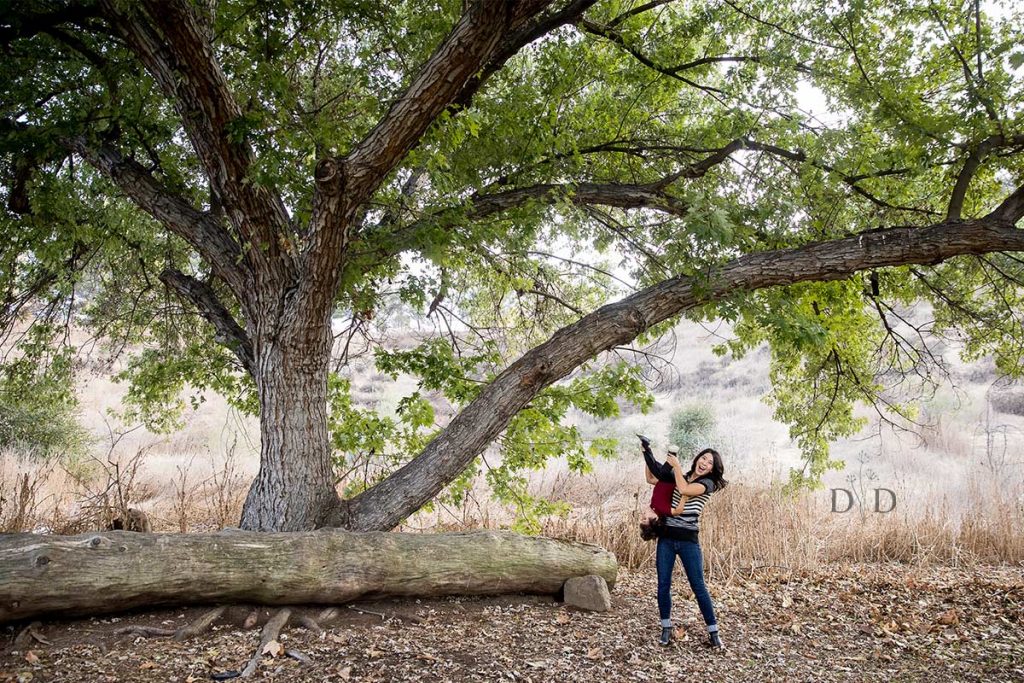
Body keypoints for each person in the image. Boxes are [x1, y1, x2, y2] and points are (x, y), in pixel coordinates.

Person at [645, 446, 728, 648]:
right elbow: (652, 479)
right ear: (697, 458)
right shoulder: (679, 476)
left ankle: (713, 631)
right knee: (663, 584)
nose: (705, 463)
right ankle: (666, 628)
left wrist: (676, 467)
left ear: (712, 469)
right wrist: (646, 455)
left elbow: (684, 490)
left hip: (688, 542)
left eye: (710, 463)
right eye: (703, 458)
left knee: (698, 586)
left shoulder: (707, 484)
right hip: (666, 539)